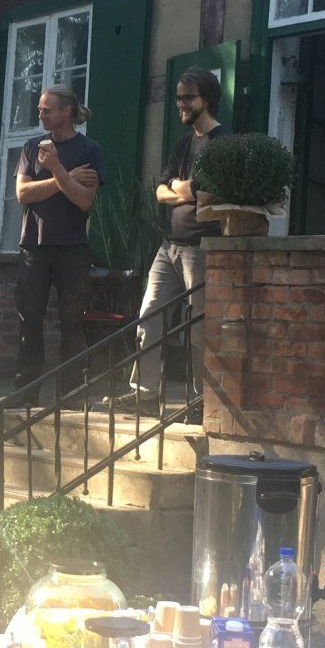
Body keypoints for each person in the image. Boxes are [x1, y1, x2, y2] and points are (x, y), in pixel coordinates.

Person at [114, 67, 228, 408]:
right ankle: (145, 394)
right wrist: (184, 189)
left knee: (199, 329)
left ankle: (201, 403)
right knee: (149, 315)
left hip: (201, 248)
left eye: (187, 97)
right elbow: (160, 192)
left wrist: (182, 188)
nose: (180, 103)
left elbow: (207, 192)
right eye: (178, 97)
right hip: (169, 247)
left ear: (207, 99)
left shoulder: (223, 142)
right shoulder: (183, 143)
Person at [13, 81, 104, 399]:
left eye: (46, 110)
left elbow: (84, 201)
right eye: (40, 109)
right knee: (29, 318)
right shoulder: (32, 147)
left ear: (66, 112)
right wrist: (65, 178)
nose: (40, 115)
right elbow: (22, 193)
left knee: (72, 322)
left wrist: (56, 169)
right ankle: (25, 394)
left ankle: (71, 396)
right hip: (33, 246)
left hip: (72, 248)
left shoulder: (90, 150)